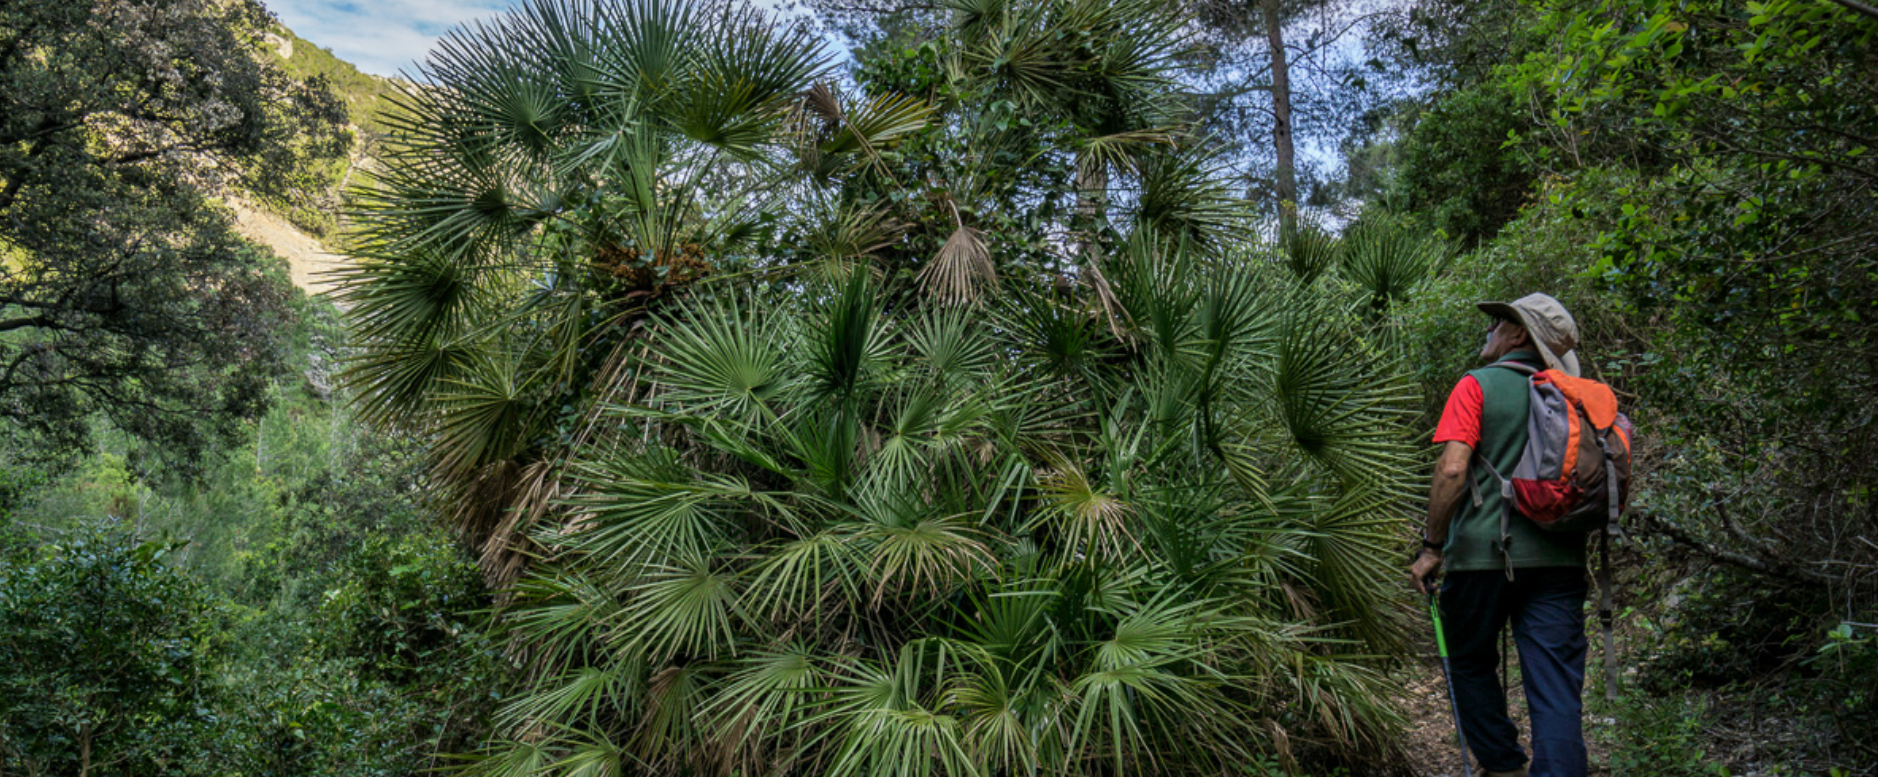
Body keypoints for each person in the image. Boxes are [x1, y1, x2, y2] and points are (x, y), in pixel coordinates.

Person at [1409, 293, 1589, 777]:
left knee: (1468, 663)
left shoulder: (1476, 386)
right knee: (1555, 684)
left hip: (1480, 557)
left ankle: (1504, 767)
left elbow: (1451, 470)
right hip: (1561, 560)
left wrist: (1432, 547)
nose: (1489, 330)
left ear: (1519, 335)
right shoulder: (1576, 391)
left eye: (1498, 323)